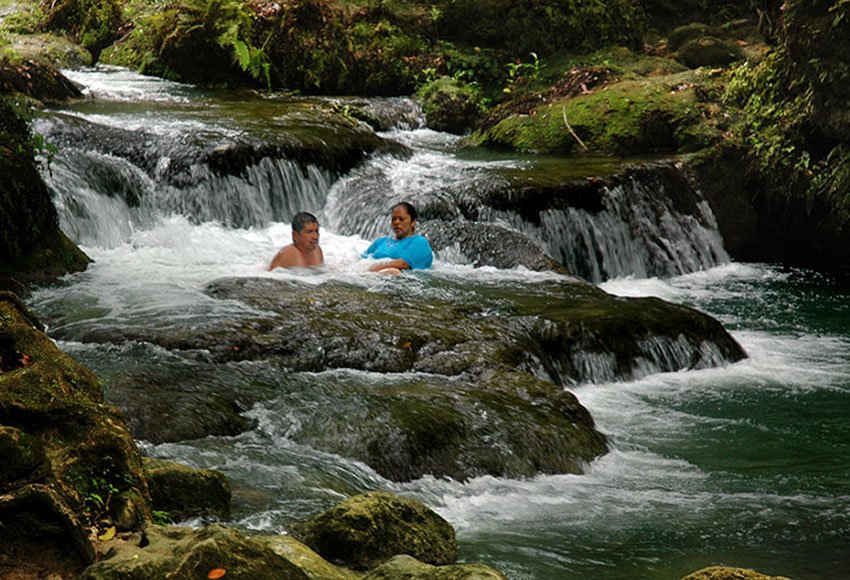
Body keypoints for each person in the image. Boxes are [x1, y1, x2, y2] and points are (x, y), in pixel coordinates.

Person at [362, 202, 433, 274]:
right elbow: (362, 260)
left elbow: (403, 264)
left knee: (394, 271)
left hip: (398, 278)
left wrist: (370, 269)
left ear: (413, 222)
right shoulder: (381, 242)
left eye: (401, 219)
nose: (396, 222)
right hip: (369, 274)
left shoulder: (419, 242)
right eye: (394, 219)